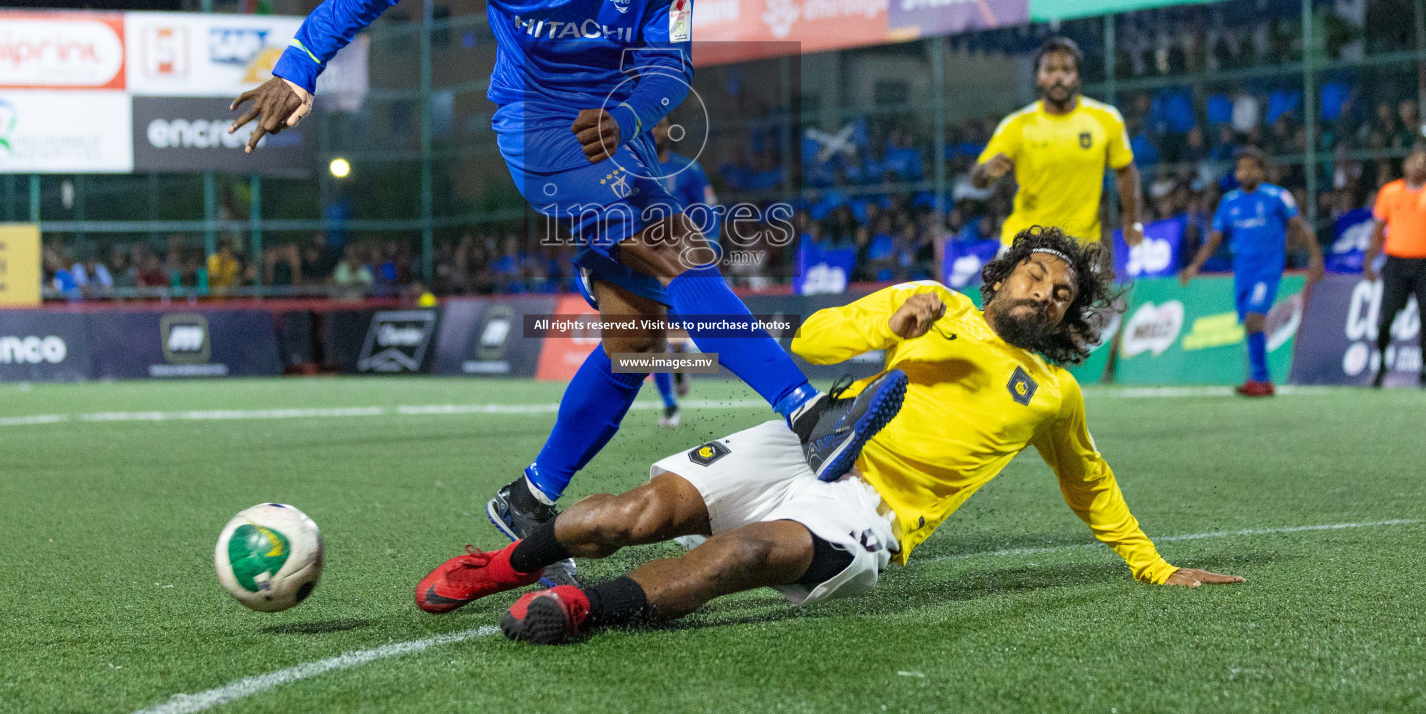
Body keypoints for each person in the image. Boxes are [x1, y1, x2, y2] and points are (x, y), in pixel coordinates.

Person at [228, 0, 904, 576]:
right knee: (676, 256)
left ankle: (529, 500)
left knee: (637, 341)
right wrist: (299, 64)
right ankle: (811, 415)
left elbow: (670, 62)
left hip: (618, 129)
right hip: (536, 128)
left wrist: (631, 111)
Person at [415, 226, 1242, 642]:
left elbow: (1089, 485)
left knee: (743, 556)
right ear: (1000, 276)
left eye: (1062, 294)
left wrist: (1153, 565)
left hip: (871, 514)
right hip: (811, 439)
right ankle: (503, 563)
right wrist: (896, 317)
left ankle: (578, 608)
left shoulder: (1053, 396)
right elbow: (807, 344)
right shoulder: (932, 304)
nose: (1047, 295)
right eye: (1036, 275)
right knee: (628, 516)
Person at [970, 37, 1144, 250]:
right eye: (1050, 70)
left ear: (1077, 76)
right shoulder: (1016, 125)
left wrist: (1133, 219)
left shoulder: (1106, 119)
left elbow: (1125, 171)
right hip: (1025, 242)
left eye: (1066, 69)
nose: (1058, 77)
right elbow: (976, 178)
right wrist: (986, 172)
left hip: (1081, 246)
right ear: (1038, 78)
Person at [1179, 148, 1323, 396]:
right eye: (1240, 169)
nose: (1243, 173)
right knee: (1249, 323)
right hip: (1243, 271)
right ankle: (1260, 380)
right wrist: (1194, 266)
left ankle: (1260, 378)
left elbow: (1301, 226)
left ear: (1261, 171)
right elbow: (1215, 239)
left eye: (1249, 168)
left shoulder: (1277, 196)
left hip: (1268, 269)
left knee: (1255, 317)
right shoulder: (1229, 202)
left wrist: (1316, 258)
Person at [649, 116, 719, 426]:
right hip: (645, 261)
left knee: (675, 339)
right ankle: (670, 406)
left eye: (663, 125)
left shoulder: (689, 170)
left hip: (680, 262)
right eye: (653, 125)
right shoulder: (631, 170)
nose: (658, 130)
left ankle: (679, 365)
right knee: (653, 338)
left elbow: (708, 210)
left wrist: (711, 245)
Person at [1363, 144, 1426, 389]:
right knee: (1387, 316)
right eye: (1414, 160)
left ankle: (1424, 366)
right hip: (1396, 264)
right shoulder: (1389, 193)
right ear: (1405, 164)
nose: (1419, 165)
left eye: (1424, 161)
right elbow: (1378, 231)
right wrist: (1369, 262)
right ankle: (1381, 364)